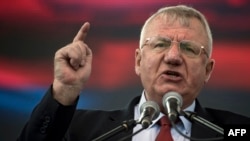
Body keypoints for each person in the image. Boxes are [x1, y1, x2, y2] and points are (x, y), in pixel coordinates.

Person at [17, 5, 250, 141]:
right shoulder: (81, 129)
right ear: (138, 61)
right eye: (160, 44)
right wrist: (64, 90)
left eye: (189, 48)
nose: (173, 57)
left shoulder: (235, 131)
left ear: (208, 70)